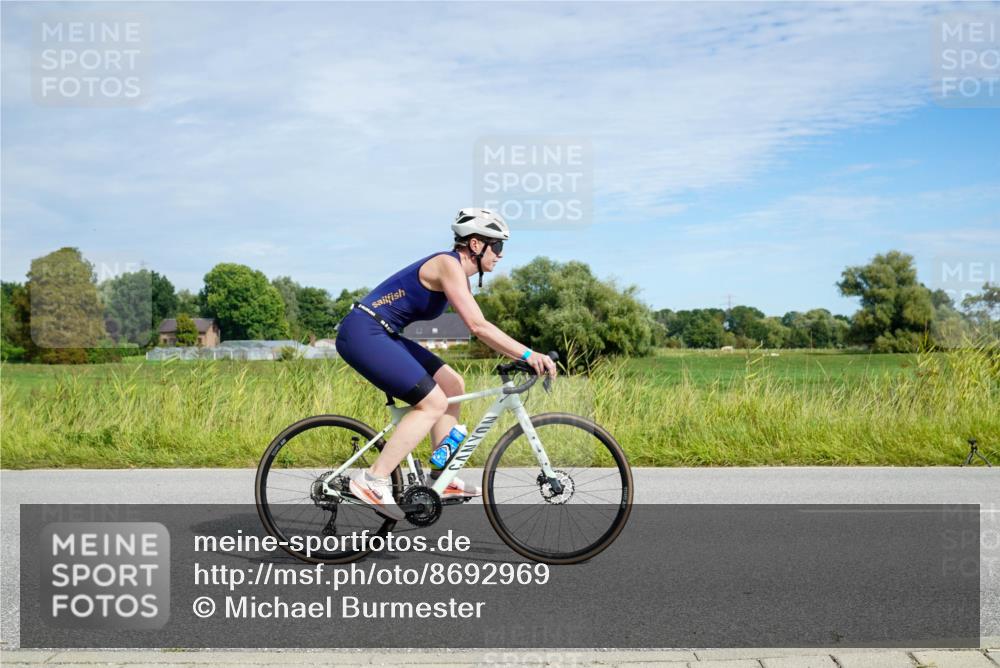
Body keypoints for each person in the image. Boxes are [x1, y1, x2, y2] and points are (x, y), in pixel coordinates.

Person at [334, 208, 558, 520]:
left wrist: (522, 354)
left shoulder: (457, 275)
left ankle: (441, 478)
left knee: (453, 385)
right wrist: (528, 355)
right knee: (433, 403)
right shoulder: (447, 264)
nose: (501, 254)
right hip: (363, 333)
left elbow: (479, 326)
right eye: (498, 246)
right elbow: (478, 326)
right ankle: (373, 479)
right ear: (476, 245)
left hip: (383, 333)